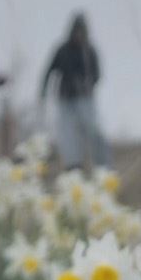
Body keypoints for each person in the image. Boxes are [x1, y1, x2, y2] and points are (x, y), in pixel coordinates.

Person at [40, 12, 110, 169]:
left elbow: (97, 74)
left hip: (85, 99)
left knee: (94, 130)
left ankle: (103, 165)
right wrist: (43, 91)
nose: (79, 34)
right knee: (68, 135)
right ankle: (73, 166)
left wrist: (87, 85)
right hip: (65, 98)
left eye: (81, 31)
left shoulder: (89, 50)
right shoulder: (62, 50)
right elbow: (49, 71)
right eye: (76, 31)